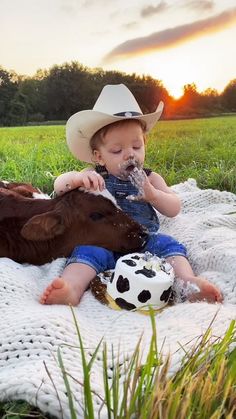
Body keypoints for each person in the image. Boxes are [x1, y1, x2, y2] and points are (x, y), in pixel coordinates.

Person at [40, 84, 223, 306]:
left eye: (136, 146)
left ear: (145, 143)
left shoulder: (151, 179)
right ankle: (71, 288)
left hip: (143, 242)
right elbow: (58, 187)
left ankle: (187, 283)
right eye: (117, 151)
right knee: (84, 254)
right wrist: (77, 179)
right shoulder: (93, 176)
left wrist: (154, 195)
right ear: (99, 157)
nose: (129, 154)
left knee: (170, 246)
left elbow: (174, 208)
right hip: (102, 241)